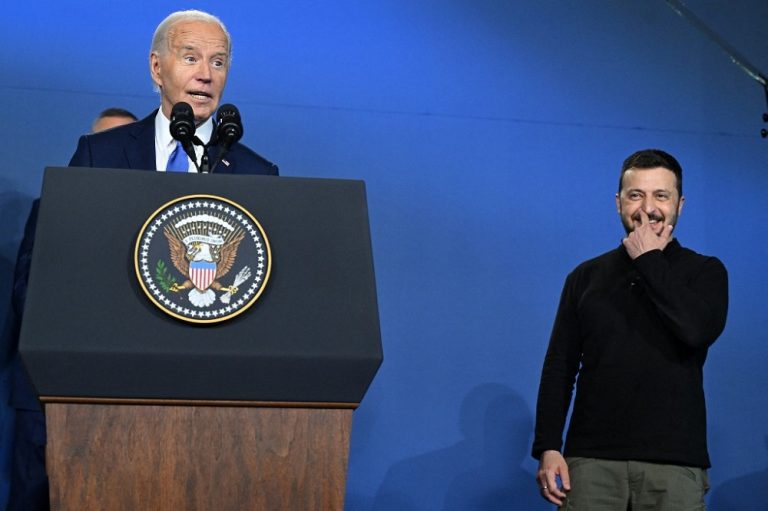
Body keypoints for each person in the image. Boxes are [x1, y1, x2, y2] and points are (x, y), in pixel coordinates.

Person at [8, 10, 278, 510]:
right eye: (191, 57)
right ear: (157, 69)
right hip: (99, 401)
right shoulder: (100, 154)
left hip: (208, 414)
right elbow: (46, 274)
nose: (206, 74)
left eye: (219, 62)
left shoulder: (256, 176)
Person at [532, 149, 728, 510]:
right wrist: (548, 445)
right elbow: (559, 365)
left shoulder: (705, 272)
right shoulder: (585, 277)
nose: (647, 207)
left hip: (674, 464)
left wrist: (649, 259)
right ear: (618, 202)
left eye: (661, 196)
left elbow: (695, 331)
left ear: (680, 204)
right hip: (591, 464)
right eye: (635, 195)